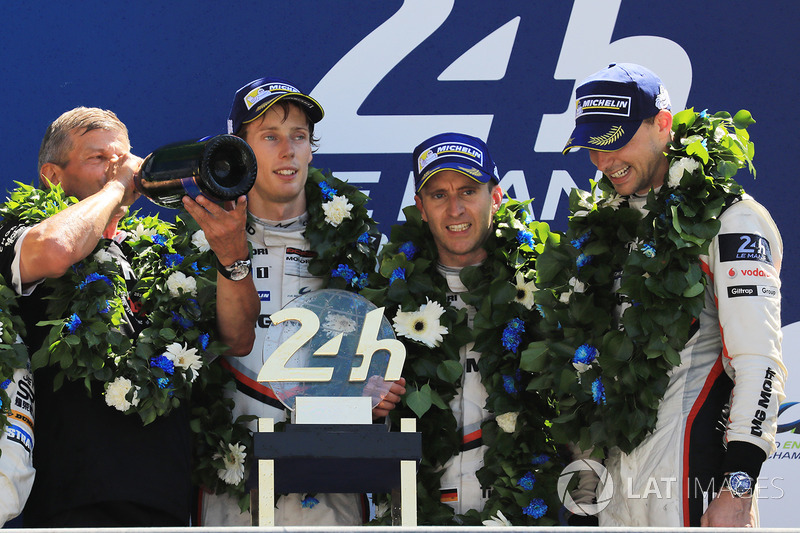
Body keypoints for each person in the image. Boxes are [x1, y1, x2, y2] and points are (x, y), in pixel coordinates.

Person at [0, 107, 258, 527]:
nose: (118, 169)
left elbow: (239, 338)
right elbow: (55, 251)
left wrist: (231, 253)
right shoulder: (22, 229)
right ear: (52, 175)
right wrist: (117, 186)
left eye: (123, 159)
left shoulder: (161, 254)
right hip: (63, 502)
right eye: (99, 158)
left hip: (163, 501)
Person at [560, 63, 785, 527]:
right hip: (616, 492)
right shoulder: (601, 227)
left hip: (695, 485)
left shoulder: (731, 219)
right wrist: (586, 489)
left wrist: (738, 489)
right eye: (592, 147)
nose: (603, 162)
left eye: (617, 141)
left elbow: (759, 361)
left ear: (663, 124)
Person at [196, 77, 406, 526]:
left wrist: (381, 387)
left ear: (312, 149)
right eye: (270, 137)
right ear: (240, 149)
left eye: (299, 137)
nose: (288, 151)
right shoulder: (201, 241)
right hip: (230, 487)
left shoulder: (361, 245)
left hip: (332, 488)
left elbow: (388, 362)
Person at [365, 132, 559, 525]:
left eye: (469, 191)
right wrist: (367, 404)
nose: (455, 209)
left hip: (522, 508)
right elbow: (359, 421)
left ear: (497, 196)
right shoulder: (385, 299)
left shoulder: (544, 286)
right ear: (420, 207)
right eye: (438, 195)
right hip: (415, 510)